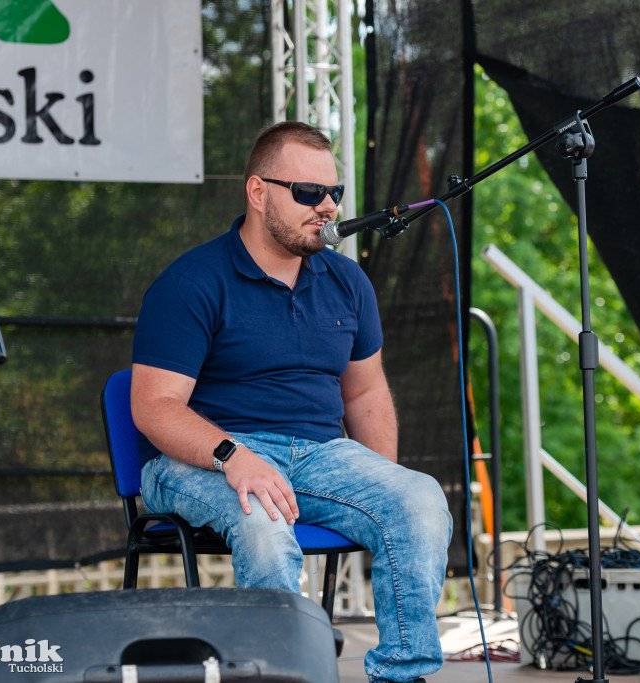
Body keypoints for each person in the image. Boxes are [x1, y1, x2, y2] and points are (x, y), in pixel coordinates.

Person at [130, 121, 453, 683]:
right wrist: (233, 455)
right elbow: (155, 406)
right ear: (258, 193)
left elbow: (366, 390)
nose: (327, 207)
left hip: (320, 455)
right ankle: (275, 676)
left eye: (335, 193)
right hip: (204, 457)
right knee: (264, 522)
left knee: (419, 498)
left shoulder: (348, 282)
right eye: (308, 193)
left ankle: (403, 676)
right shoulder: (191, 282)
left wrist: (382, 480)